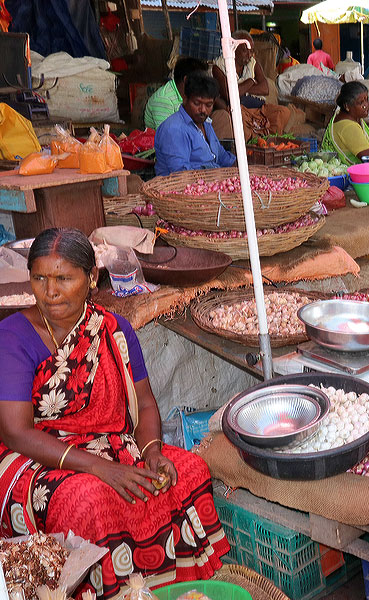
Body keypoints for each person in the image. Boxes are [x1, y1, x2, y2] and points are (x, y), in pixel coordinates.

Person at [0, 228, 229, 599]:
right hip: (34, 456)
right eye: (39, 278)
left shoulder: (113, 329)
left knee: (187, 470)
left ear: (92, 278)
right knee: (89, 501)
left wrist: (152, 452)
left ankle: (174, 588)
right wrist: (99, 467)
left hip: (110, 443)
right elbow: (15, 432)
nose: (50, 291)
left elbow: (146, 403)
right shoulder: (12, 336)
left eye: (64, 278)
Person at [154, 73, 236, 176]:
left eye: (208, 105)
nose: (203, 110)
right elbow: (182, 174)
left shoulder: (206, 124)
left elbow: (223, 158)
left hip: (211, 182)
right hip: (182, 188)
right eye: (197, 103)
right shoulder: (174, 129)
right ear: (185, 99)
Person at [322, 81, 369, 165]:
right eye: (361, 102)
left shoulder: (348, 118)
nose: (366, 105)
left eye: (367, 100)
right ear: (347, 106)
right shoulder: (348, 127)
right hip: (350, 174)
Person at [143, 56, 207, 130]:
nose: (203, 85)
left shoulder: (189, 95)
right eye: (200, 81)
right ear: (186, 80)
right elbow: (167, 136)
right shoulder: (164, 99)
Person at [211, 30, 269, 110]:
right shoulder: (219, 66)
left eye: (251, 51)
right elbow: (228, 94)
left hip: (255, 106)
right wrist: (251, 81)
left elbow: (265, 89)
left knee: (284, 111)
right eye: (245, 51)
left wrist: (240, 90)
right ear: (234, 48)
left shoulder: (252, 63)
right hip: (237, 108)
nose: (249, 55)